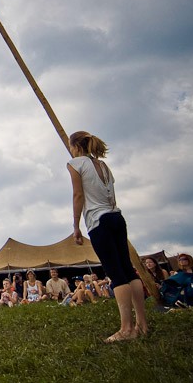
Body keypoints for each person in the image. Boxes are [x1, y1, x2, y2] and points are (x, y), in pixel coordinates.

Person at [67, 130, 147, 342]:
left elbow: (78, 195)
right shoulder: (103, 166)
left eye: (70, 145)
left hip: (98, 221)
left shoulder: (75, 164)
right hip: (116, 217)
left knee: (116, 273)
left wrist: (76, 225)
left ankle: (126, 329)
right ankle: (142, 325)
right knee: (129, 270)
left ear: (75, 146)